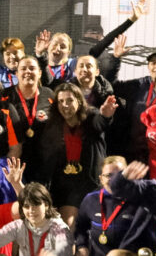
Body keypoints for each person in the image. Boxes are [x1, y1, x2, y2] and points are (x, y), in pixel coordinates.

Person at [40, 83, 117, 227]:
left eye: (70, 100)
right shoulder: (52, 126)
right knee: (68, 224)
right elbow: (48, 159)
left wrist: (105, 116)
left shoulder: (91, 117)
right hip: (64, 186)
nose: (65, 105)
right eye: (61, 101)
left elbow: (99, 124)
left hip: (89, 182)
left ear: (79, 101)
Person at [0, 55, 53, 185]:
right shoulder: (4, 97)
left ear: (39, 73)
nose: (28, 72)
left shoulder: (49, 95)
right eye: (23, 69)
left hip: (42, 163)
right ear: (16, 73)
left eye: (32, 68)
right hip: (13, 161)